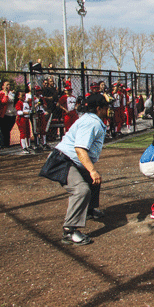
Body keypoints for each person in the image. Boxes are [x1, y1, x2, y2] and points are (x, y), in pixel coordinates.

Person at [43, 94, 110, 245]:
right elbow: (80, 149)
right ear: (98, 109)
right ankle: (69, 231)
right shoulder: (91, 122)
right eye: (106, 107)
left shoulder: (92, 120)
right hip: (63, 160)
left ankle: (89, 210)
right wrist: (92, 170)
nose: (108, 109)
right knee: (81, 190)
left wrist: (91, 172)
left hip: (71, 160)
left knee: (93, 181)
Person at [0, 81, 17, 148]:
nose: (8, 86)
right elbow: (4, 102)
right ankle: (3, 145)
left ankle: (7, 144)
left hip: (12, 114)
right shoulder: (1, 93)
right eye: (7, 85)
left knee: (8, 130)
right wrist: (5, 94)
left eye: (9, 85)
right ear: (3, 86)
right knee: (4, 130)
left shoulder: (11, 93)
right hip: (4, 114)